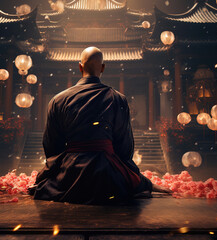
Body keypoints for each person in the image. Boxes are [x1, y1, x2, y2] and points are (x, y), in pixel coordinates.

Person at [31, 47, 171, 204]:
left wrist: (54, 170)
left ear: (80, 67)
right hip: (108, 176)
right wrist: (136, 178)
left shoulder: (58, 100)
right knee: (123, 187)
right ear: (103, 67)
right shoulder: (117, 99)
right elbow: (124, 147)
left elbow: (51, 146)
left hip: (69, 176)